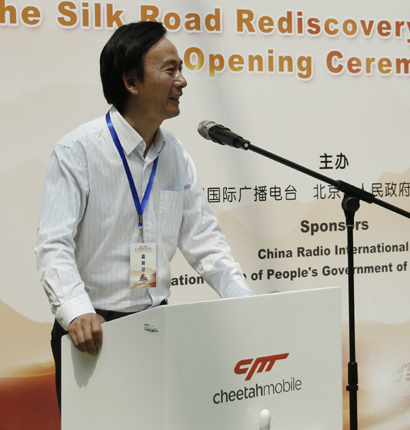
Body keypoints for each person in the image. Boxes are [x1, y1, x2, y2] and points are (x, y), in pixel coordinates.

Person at [35, 21, 253, 409]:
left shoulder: (175, 155)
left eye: (181, 69)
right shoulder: (78, 151)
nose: (182, 81)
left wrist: (246, 302)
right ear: (131, 82)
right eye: (170, 69)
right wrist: (77, 311)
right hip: (94, 334)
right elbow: (54, 244)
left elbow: (204, 240)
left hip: (156, 327)